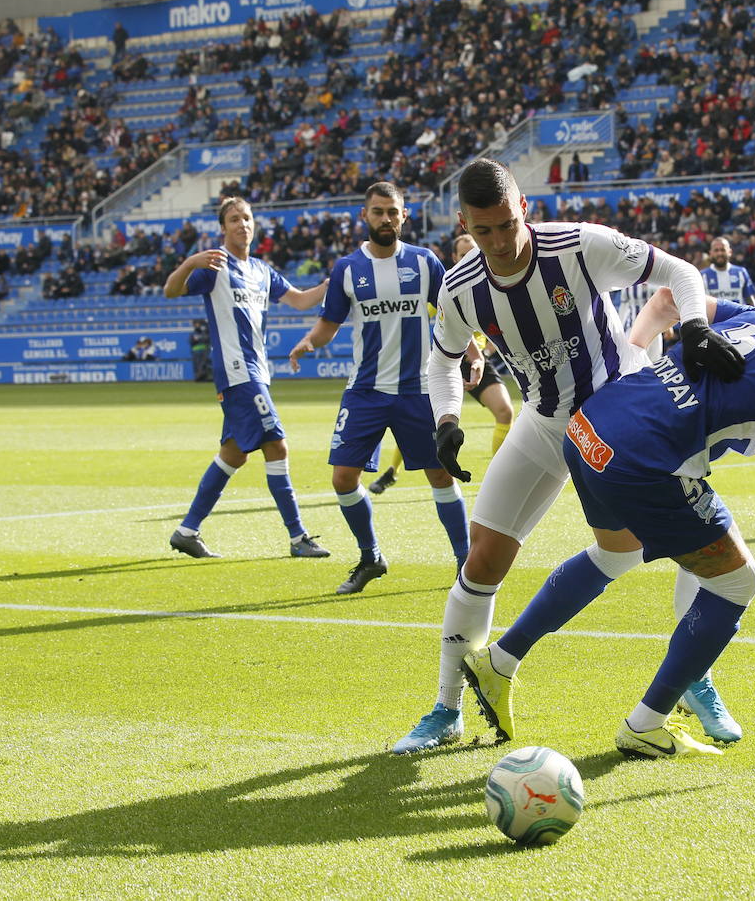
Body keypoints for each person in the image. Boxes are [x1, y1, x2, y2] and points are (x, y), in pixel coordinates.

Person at [391, 158, 744, 755]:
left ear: (524, 207)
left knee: (694, 536)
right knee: (481, 562)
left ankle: (693, 679)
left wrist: (692, 328)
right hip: (547, 423)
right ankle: (449, 709)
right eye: (484, 232)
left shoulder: (579, 246)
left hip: (625, 418)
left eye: (507, 224)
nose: (500, 242)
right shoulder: (461, 288)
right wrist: (447, 419)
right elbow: (444, 358)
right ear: (464, 225)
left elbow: (679, 270)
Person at [460, 305, 755, 756]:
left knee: (618, 552)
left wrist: (638, 346)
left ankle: (499, 662)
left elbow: (671, 300)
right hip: (642, 459)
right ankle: (648, 724)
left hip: (589, 428)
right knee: (739, 581)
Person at [288, 182, 471, 594]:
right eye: (378, 212)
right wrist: (309, 341)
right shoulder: (347, 269)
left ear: (404, 216)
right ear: (364, 216)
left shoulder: (426, 263)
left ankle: (466, 562)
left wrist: (472, 353)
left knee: (441, 478)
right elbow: (329, 323)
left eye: (393, 211)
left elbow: (453, 314)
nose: (386, 218)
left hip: (418, 390)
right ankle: (370, 556)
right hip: (366, 391)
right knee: (342, 479)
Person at [164, 197, 330, 560]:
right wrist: (191, 261)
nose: (242, 224)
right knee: (277, 445)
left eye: (247, 218)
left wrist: (333, 283)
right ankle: (298, 537)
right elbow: (171, 290)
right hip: (238, 374)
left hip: (257, 373)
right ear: (223, 228)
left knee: (233, 455)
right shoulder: (215, 265)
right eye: (234, 219)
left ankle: (187, 531)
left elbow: (301, 300)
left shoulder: (260, 269)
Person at [368, 232, 516, 496]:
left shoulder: (494, 280)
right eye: (463, 253)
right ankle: (392, 471)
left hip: (476, 362)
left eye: (474, 248)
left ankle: (498, 478)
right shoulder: (447, 286)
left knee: (505, 411)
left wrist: (487, 350)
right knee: (420, 423)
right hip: (445, 361)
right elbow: (415, 315)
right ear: (454, 257)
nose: (470, 255)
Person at [701, 236, 755, 305]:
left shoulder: (741, 272)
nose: (719, 253)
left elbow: (750, 301)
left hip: (738, 316)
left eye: (723, 250)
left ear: (730, 252)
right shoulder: (702, 275)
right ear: (710, 253)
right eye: (716, 250)